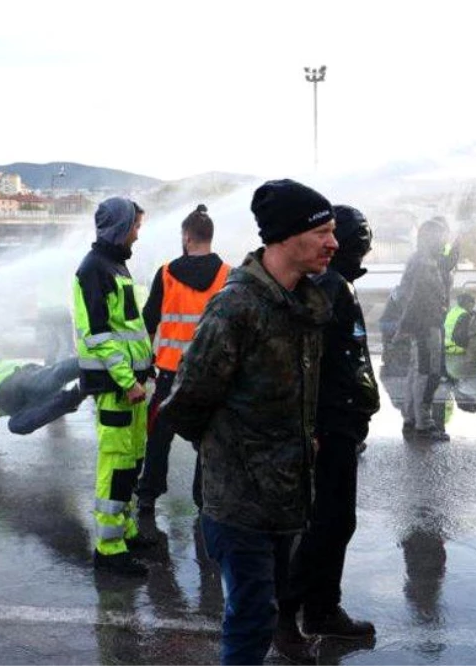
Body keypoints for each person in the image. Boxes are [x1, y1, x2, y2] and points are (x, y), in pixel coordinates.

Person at [160, 179, 335, 666]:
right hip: (239, 501)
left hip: (286, 493)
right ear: (284, 237)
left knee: (268, 605)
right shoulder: (236, 307)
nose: (333, 243)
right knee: (252, 615)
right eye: (322, 231)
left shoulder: (304, 305)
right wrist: (234, 451)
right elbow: (187, 401)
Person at [279, 204, 380, 647]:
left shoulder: (338, 286)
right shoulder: (327, 288)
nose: (362, 250)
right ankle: (287, 613)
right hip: (329, 426)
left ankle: (322, 607)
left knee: (337, 522)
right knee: (326, 522)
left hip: (342, 423)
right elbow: (308, 364)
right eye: (360, 241)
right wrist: (317, 426)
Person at [72, 197, 155, 577]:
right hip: (117, 387)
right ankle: (109, 548)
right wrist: (127, 380)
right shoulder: (95, 269)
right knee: (117, 464)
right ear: (121, 227)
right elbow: (99, 335)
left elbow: (128, 329)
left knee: (132, 460)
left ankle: (125, 530)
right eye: (135, 225)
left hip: (132, 385)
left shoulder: (115, 265)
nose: (139, 232)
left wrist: (143, 373)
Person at [136, 204, 230, 513]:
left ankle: (148, 493)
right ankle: (202, 498)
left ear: (187, 237)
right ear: (210, 237)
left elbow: (149, 322)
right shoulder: (229, 275)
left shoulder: (166, 273)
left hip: (170, 371)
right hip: (211, 374)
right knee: (207, 437)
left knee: (159, 434)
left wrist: (144, 362)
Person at [393, 221, 449, 441]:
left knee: (417, 372)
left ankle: (411, 417)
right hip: (426, 325)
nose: (444, 241)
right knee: (428, 373)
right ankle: (423, 424)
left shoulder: (420, 259)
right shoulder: (425, 263)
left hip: (422, 324)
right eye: (442, 237)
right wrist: (407, 325)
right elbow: (416, 297)